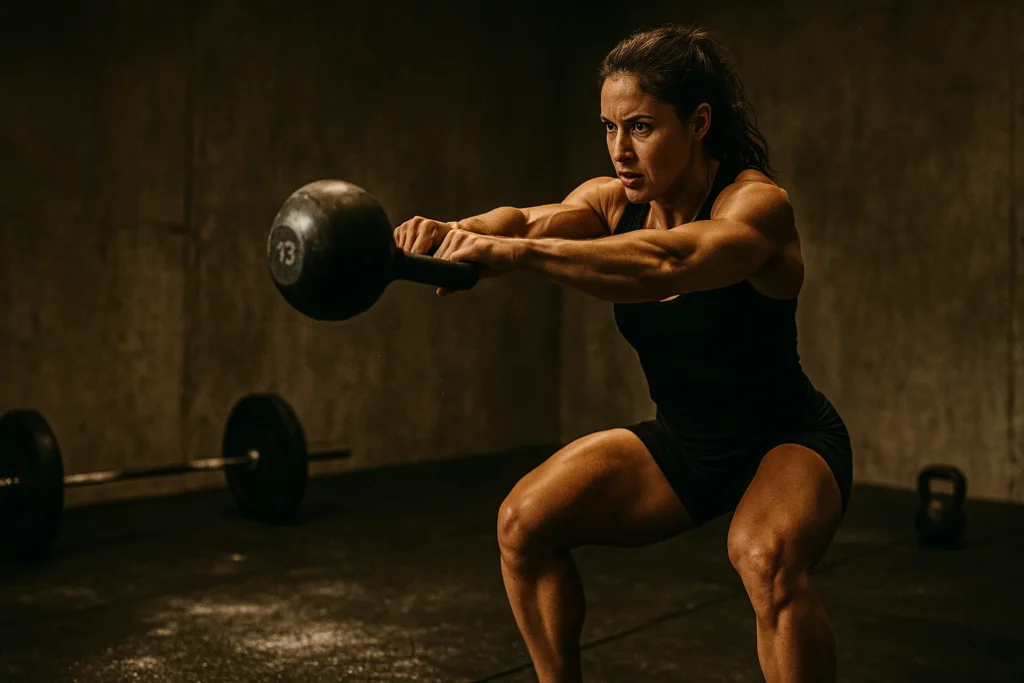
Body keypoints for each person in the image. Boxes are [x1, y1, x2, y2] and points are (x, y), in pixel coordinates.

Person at [393, 23, 853, 683]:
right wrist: (456, 231)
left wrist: (515, 255)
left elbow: (668, 262)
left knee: (764, 556)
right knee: (523, 523)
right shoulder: (613, 204)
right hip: (686, 445)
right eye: (608, 128)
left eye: (640, 128)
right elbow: (523, 220)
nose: (619, 151)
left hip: (787, 437)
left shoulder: (756, 205)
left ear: (698, 123)